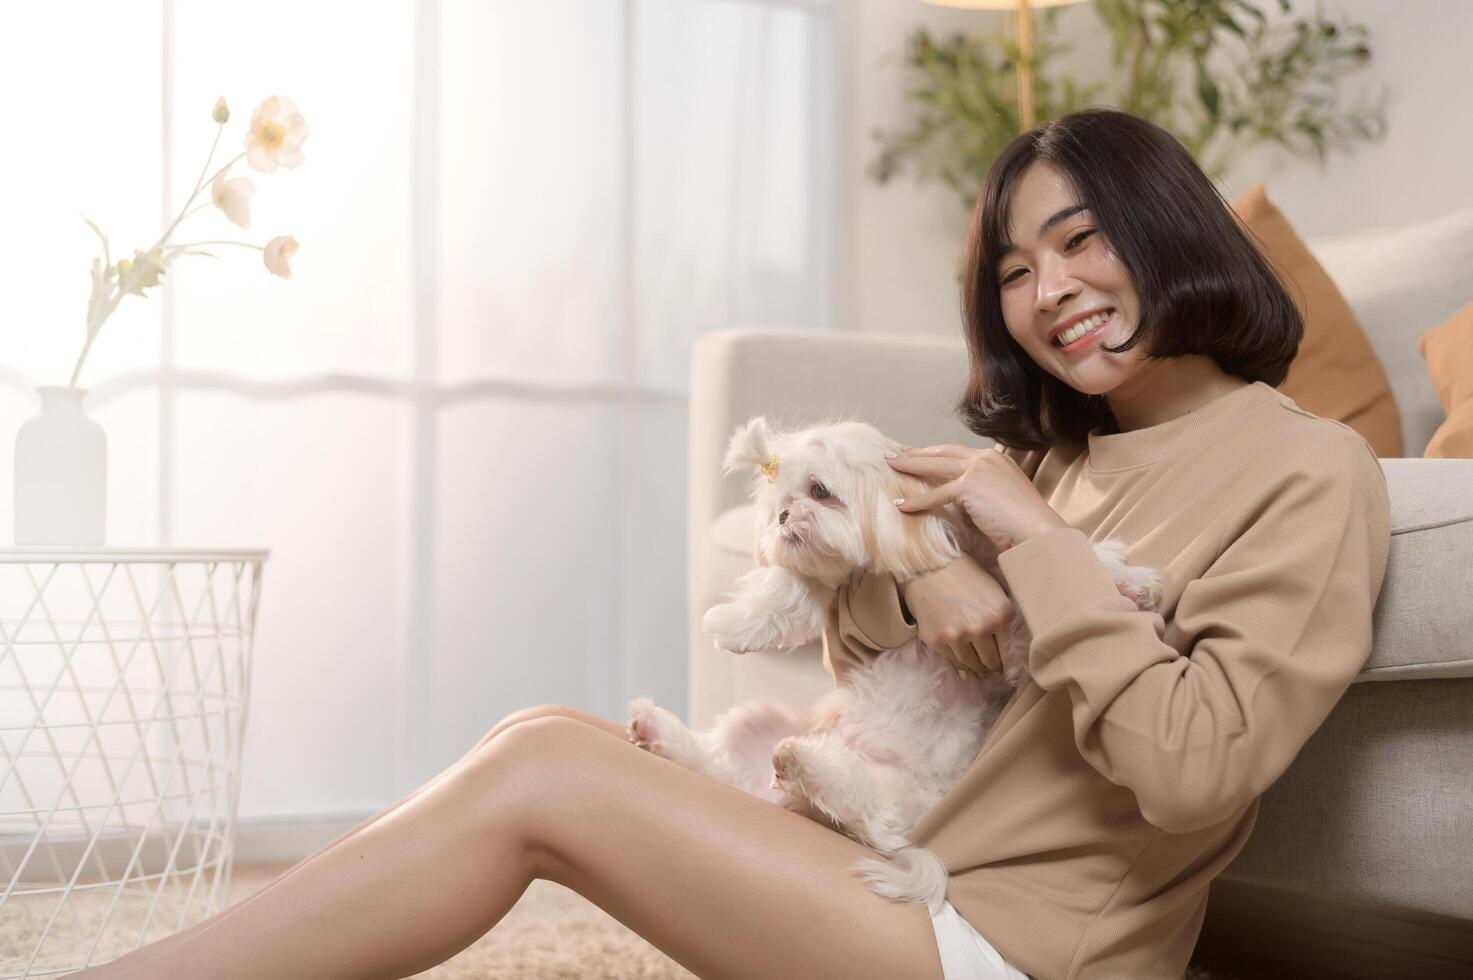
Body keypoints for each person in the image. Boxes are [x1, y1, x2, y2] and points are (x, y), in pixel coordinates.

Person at [74, 107, 1390, 980]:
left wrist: (1030, 540)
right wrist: (929, 561)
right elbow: (872, 638)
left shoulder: (1306, 470)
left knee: (543, 773)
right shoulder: (1041, 456)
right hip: (884, 863)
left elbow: (1195, 770)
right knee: (547, 730)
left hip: (1009, 945)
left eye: (1078, 242)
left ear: (1167, 232)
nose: (1048, 293)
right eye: (1010, 270)